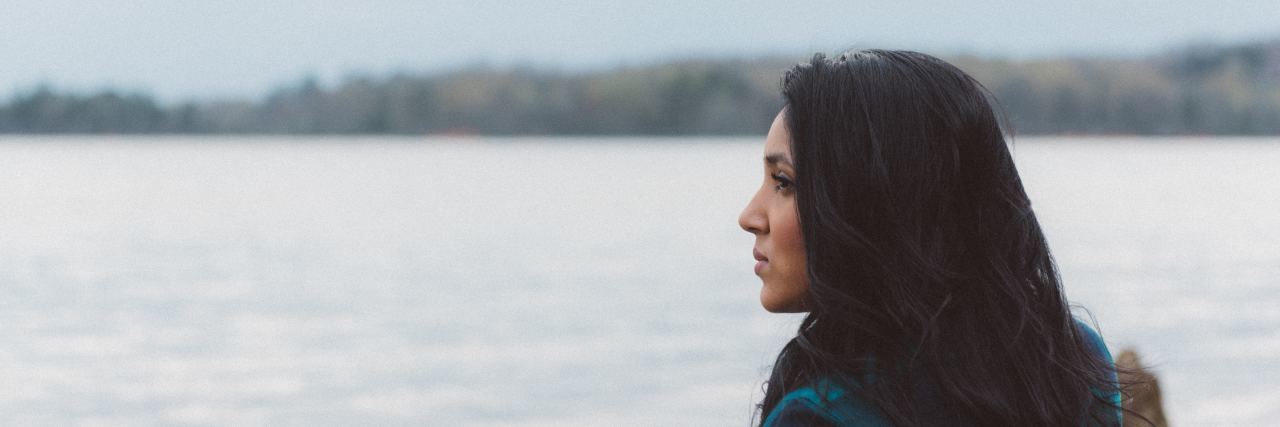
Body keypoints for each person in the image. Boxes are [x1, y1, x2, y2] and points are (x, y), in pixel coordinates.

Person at [738, 50, 1123, 426]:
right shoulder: (1071, 361)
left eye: (784, 182)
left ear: (875, 202)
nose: (750, 217)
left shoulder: (820, 415)